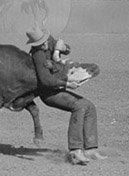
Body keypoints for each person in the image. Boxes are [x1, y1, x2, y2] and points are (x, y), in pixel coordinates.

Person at [25, 27, 102, 165]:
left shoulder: (49, 40)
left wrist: (63, 47)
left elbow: (66, 49)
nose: (44, 44)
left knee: (89, 106)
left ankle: (90, 148)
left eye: (44, 41)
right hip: (49, 93)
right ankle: (75, 151)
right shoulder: (38, 55)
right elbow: (46, 81)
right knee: (79, 106)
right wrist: (67, 83)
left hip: (58, 85)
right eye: (40, 43)